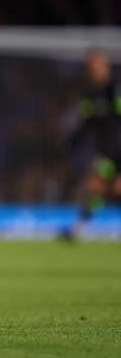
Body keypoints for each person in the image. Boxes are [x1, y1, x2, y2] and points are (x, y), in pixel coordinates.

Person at [62, 48, 121, 240]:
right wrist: (72, 142)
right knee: (96, 187)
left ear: (106, 67)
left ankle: (78, 228)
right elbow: (86, 125)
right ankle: (78, 229)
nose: (95, 70)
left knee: (109, 188)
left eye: (98, 65)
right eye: (91, 66)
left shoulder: (115, 89)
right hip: (108, 152)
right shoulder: (91, 96)